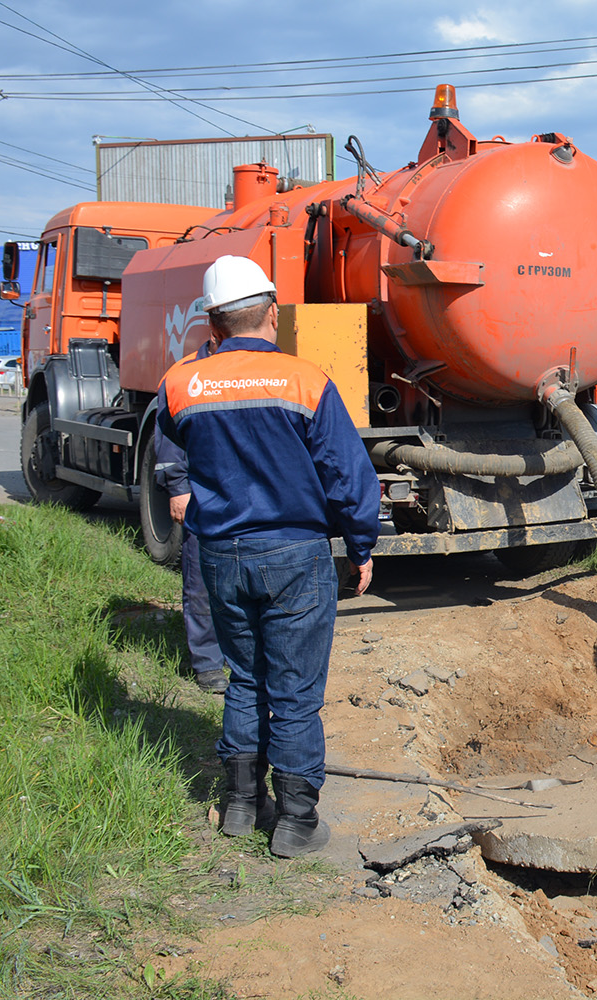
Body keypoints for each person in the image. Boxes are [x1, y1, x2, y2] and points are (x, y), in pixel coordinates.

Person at [158, 255, 380, 857]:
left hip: (222, 555)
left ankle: (240, 807)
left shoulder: (181, 383)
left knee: (244, 679)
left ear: (212, 321)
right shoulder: (305, 380)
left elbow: (171, 453)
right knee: (296, 692)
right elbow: (346, 474)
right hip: (294, 554)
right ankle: (297, 822)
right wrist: (361, 544)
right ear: (272, 313)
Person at [152, 335, 227, 695]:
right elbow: (167, 441)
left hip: (239, 496)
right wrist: (178, 487)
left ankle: (234, 655)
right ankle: (208, 664)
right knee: (200, 580)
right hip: (199, 495)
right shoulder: (184, 375)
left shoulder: (241, 371)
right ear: (215, 334)